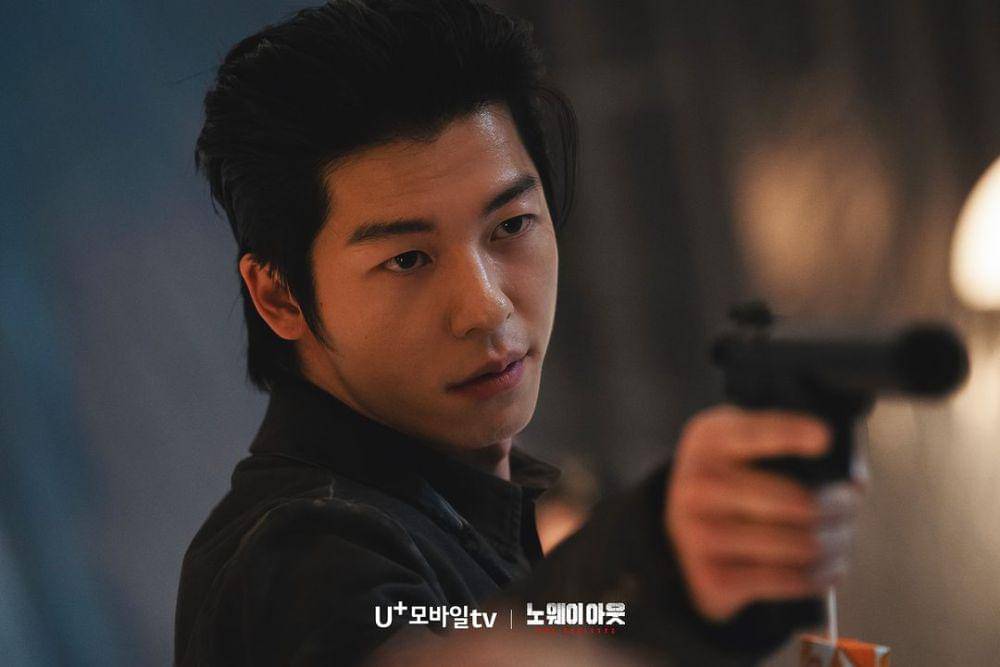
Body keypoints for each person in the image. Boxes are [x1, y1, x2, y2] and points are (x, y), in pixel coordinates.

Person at [174, 1, 865, 664]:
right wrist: (654, 565)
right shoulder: (292, 550)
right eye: (407, 259)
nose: (485, 307)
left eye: (511, 225)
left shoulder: (497, 513)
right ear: (279, 295)